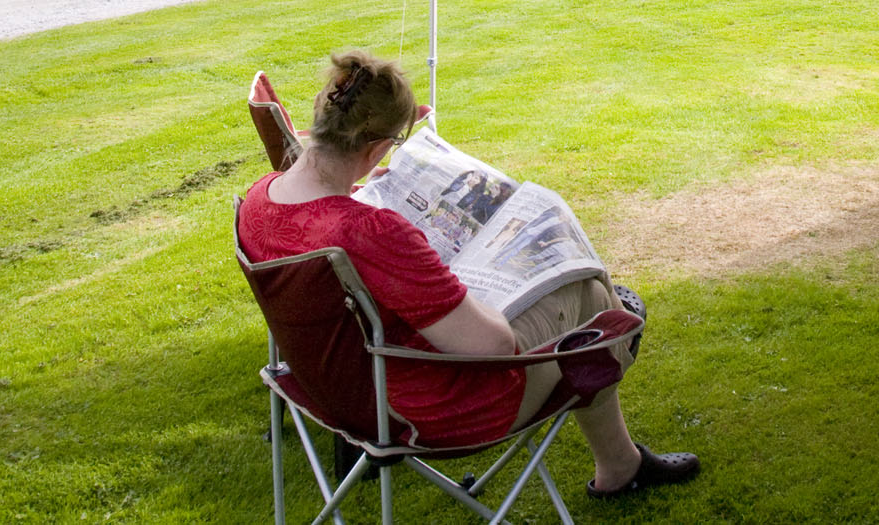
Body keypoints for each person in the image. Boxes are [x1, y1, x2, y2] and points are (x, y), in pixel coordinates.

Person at [237, 48, 700, 499]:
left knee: (578, 305)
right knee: (589, 295)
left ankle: (618, 445)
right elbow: (494, 347)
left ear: (321, 112)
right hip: (431, 408)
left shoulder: (259, 200)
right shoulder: (369, 231)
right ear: (378, 146)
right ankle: (619, 452)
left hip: (333, 391)